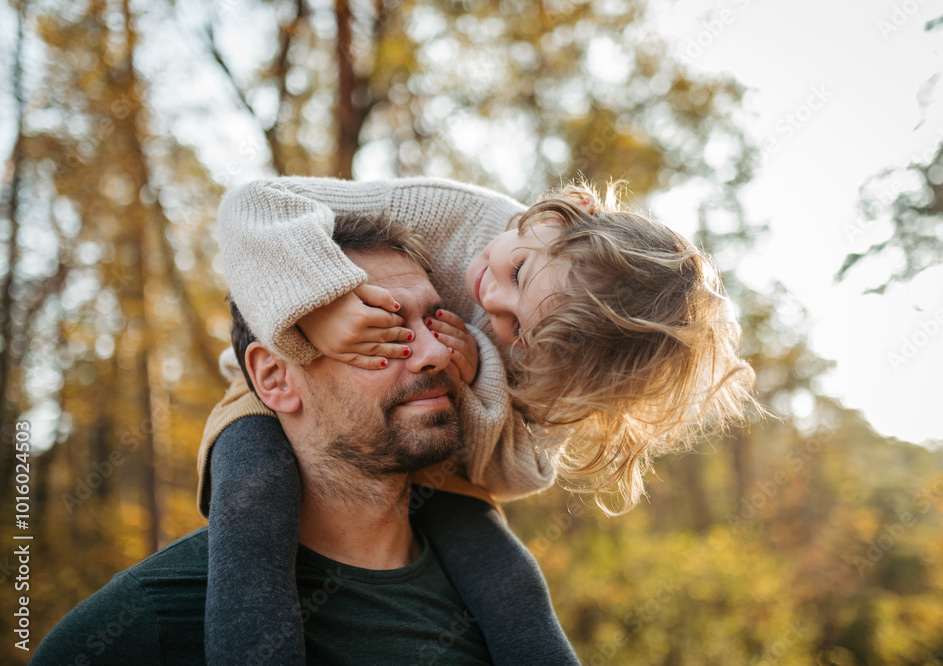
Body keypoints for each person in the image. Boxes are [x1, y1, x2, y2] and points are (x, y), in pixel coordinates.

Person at [202, 177, 755, 664]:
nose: (491, 297)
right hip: (283, 388)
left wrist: (478, 380)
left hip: (435, 441)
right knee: (253, 492)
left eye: (514, 325)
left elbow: (518, 474)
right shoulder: (445, 211)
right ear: (575, 210)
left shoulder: (559, 358)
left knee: (506, 578)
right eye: (518, 270)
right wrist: (324, 304)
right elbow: (258, 204)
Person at [30, 213, 576, 665]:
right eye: (384, 330)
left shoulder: (499, 607)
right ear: (275, 379)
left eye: (435, 319)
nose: (434, 352)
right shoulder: (139, 629)